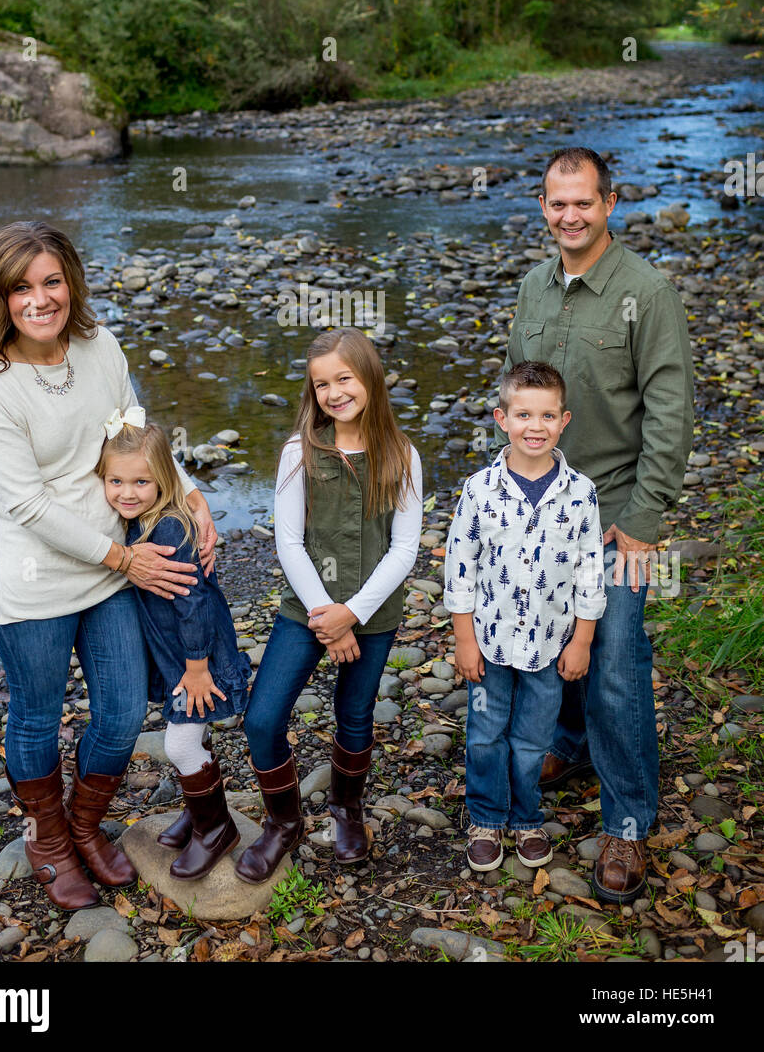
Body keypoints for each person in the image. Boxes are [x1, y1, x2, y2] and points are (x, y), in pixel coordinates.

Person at [0, 221, 217, 911]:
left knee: (124, 710)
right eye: (21, 287)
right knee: (38, 717)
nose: (40, 299)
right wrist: (125, 557)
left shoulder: (100, 346)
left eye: (51, 281)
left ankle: (83, 823)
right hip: (38, 581)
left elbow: (136, 428)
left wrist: (188, 492)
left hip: (111, 576)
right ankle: (47, 838)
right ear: (0, 296)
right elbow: (27, 504)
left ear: (71, 280)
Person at [490, 147, 694, 901]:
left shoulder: (647, 292)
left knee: (612, 658)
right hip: (541, 507)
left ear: (611, 203)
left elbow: (671, 412)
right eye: (556, 203)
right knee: (549, 637)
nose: (569, 216)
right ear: (543, 208)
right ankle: (571, 747)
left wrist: (643, 520)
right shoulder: (533, 288)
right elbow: (517, 396)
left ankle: (628, 822)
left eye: (583, 202)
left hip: (613, 515)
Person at [235, 327, 423, 883]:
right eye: (321, 384)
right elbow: (288, 541)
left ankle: (346, 809)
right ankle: (283, 822)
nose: (334, 392)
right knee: (262, 718)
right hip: (307, 611)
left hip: (372, 614)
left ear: (369, 377)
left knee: (355, 715)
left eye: (344, 378)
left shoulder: (401, 454)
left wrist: (354, 615)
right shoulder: (301, 451)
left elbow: (405, 547)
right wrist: (326, 615)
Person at [445, 362, 606, 872]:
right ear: (501, 418)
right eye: (523, 415)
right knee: (486, 732)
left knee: (533, 737)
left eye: (547, 416)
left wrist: (582, 640)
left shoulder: (580, 494)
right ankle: (486, 816)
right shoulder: (479, 490)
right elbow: (460, 566)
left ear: (564, 420)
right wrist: (463, 639)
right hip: (490, 643)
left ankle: (525, 816)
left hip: (550, 646)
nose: (534, 427)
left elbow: (590, 573)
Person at [97, 411, 251, 880]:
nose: (126, 492)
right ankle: (200, 808)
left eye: (141, 481)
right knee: (195, 733)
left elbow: (193, 604)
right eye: (115, 481)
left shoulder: (168, 528)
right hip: (180, 654)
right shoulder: (140, 519)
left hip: (196, 654)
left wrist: (198, 667)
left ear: (165, 478)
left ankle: (216, 828)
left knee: (180, 743)